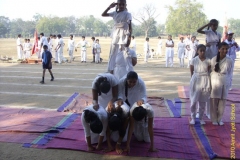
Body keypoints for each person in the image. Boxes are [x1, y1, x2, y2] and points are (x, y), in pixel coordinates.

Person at [102, 0, 132, 73]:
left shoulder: (127, 14)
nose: (121, 6)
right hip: (115, 34)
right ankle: (110, 70)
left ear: (125, 5)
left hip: (124, 34)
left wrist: (129, 38)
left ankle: (129, 70)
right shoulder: (114, 13)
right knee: (112, 52)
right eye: (119, 4)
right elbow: (103, 14)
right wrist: (109, 7)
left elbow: (130, 26)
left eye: (123, 4)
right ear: (117, 5)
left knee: (125, 52)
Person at [210, 42, 233, 126]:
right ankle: (214, 119)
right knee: (214, 100)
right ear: (219, 49)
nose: (225, 50)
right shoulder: (213, 59)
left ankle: (220, 118)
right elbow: (211, 71)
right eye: (223, 49)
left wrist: (229, 83)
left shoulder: (229, 60)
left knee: (222, 100)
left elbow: (230, 72)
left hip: (224, 80)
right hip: (215, 80)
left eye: (226, 49)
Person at [189, 44, 211, 125]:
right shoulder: (194, 60)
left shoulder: (208, 60)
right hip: (196, 80)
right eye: (200, 51)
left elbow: (208, 70)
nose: (202, 52)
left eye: (203, 51)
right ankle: (193, 117)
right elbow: (191, 70)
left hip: (205, 80)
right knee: (194, 101)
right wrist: (193, 79)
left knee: (203, 101)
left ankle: (201, 118)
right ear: (197, 51)